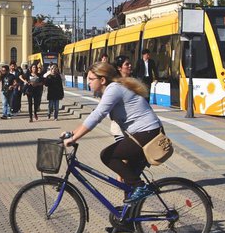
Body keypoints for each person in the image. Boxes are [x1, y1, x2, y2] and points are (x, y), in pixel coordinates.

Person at [62, 61, 164, 206]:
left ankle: (140, 187)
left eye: (91, 79)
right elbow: (94, 115)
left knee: (107, 155)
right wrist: (71, 134)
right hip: (142, 134)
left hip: (148, 133)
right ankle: (127, 221)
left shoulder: (114, 89)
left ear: (102, 80)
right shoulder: (112, 89)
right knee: (129, 180)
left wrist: (74, 138)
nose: (88, 82)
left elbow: (98, 115)